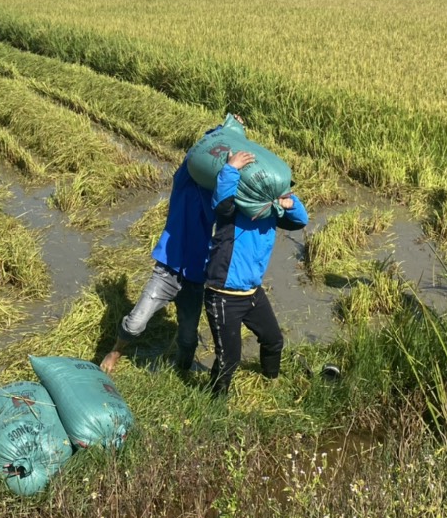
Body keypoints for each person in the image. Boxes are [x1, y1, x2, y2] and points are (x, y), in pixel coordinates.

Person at [99, 118, 242, 376]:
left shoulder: (219, 198)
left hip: (196, 278)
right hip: (167, 269)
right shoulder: (184, 183)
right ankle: (115, 351)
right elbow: (198, 151)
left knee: (188, 338)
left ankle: (181, 372)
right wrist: (223, 129)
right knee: (135, 323)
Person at [203, 151, 309, 398]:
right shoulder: (232, 212)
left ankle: (271, 382)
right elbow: (221, 202)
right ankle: (214, 403)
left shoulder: (270, 211)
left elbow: (301, 220)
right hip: (224, 294)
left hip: (252, 293)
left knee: (274, 341)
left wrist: (289, 201)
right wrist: (231, 168)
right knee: (229, 359)